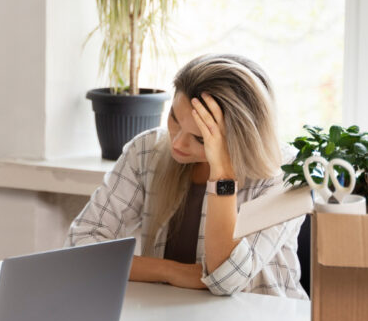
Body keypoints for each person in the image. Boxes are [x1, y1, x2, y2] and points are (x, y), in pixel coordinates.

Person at [66, 54, 306, 299]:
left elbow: (226, 279)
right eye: (175, 118)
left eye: (201, 138)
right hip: (170, 319)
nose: (178, 142)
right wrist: (171, 272)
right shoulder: (147, 151)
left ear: (240, 137)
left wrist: (222, 172)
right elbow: (80, 247)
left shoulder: (287, 172)